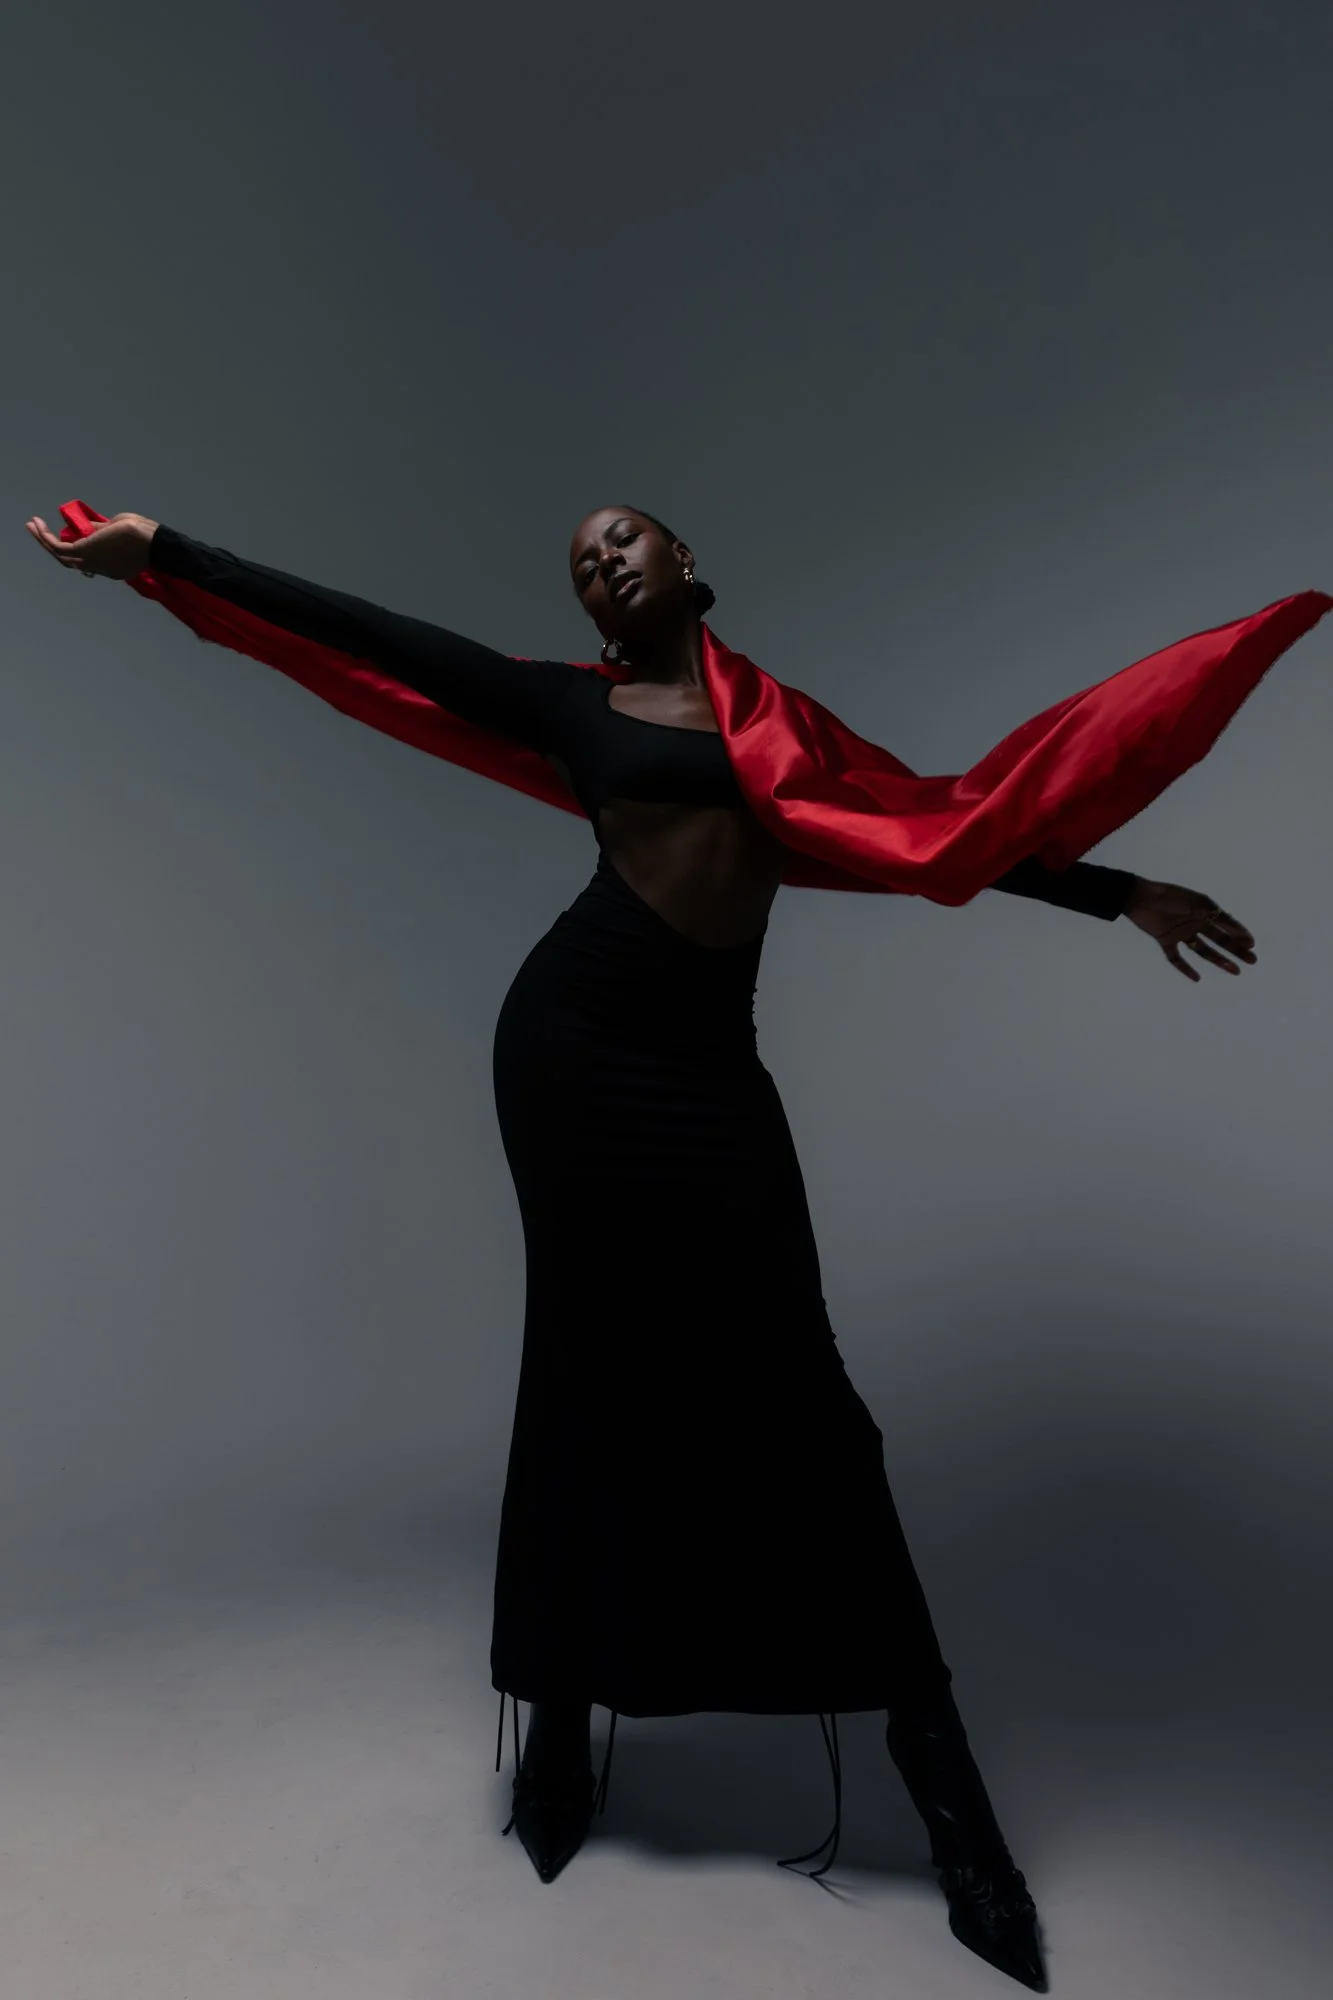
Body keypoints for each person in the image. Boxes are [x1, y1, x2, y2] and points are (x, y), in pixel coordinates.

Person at [27, 502, 1286, 1994]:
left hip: (704, 1071)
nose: (598, 561)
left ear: (687, 569)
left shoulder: (783, 726)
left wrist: (1116, 891)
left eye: (622, 540)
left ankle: (959, 1828)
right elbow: (370, 637)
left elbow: (929, 823)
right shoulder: (569, 702)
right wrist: (167, 553)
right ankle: (561, 1727)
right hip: (572, 1049)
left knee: (809, 1409)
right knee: (589, 1370)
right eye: (577, 559)